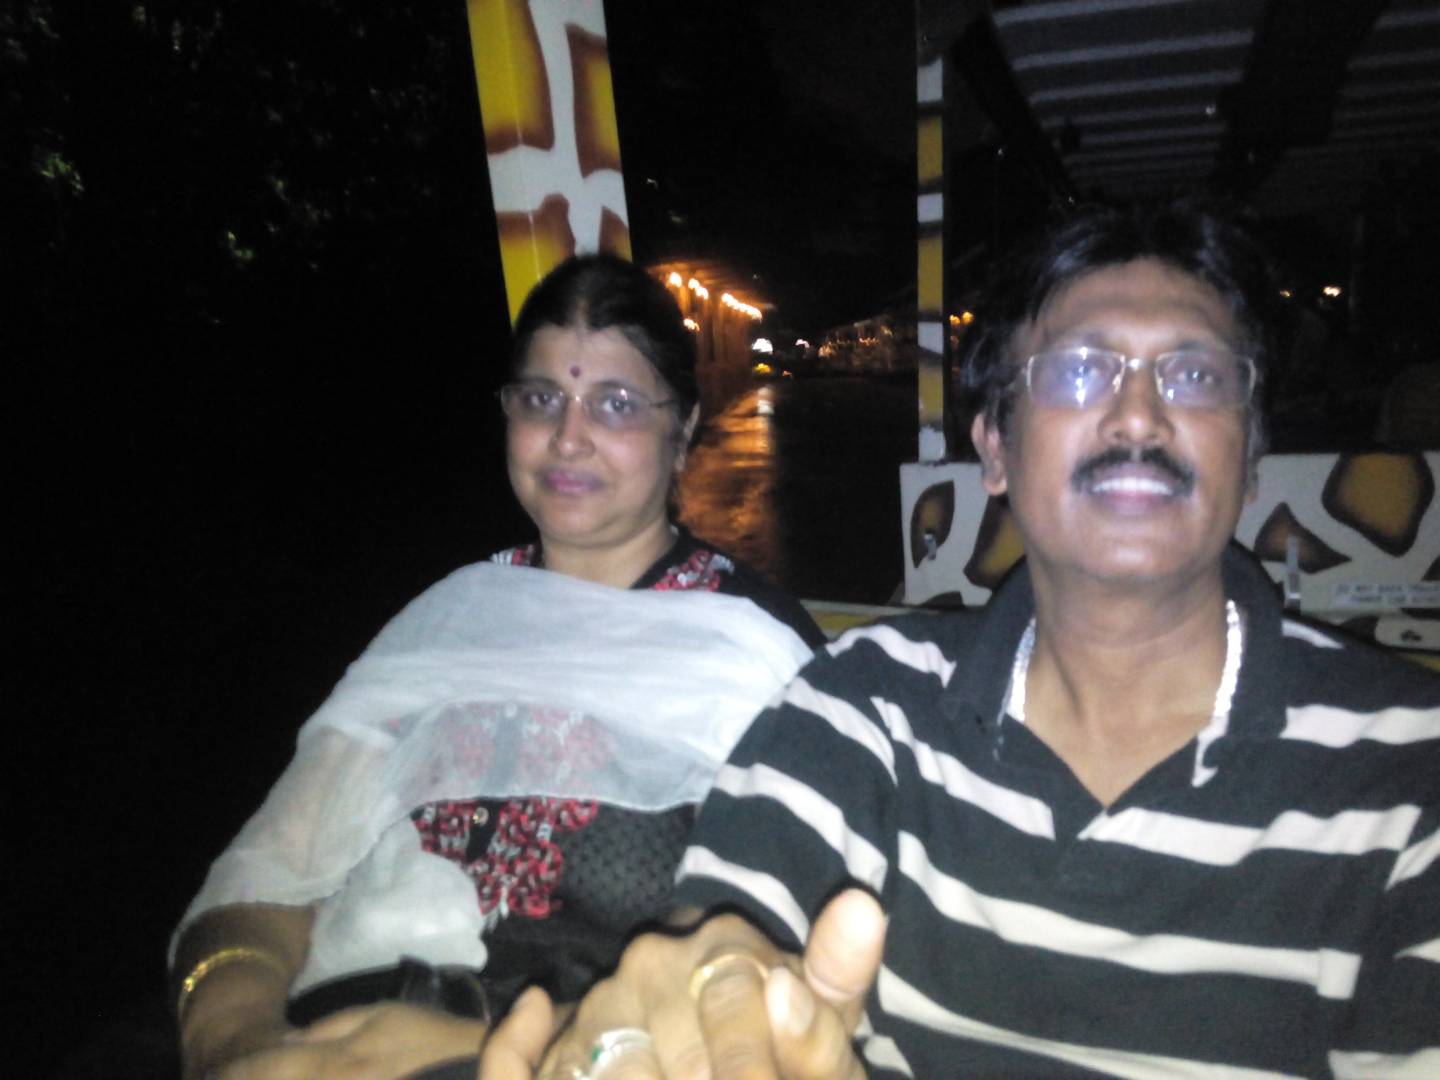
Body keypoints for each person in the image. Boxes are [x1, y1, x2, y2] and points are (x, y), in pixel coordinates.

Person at [495, 203, 1440, 1079]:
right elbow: (729, 929)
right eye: (1079, 371)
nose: (1139, 415)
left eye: (1194, 377)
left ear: (1252, 447)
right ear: (993, 448)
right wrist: (701, 999)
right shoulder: (870, 702)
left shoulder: (1408, 771)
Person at [169, 253, 824, 1080]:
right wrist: (232, 1038)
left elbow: (766, 980)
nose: (568, 437)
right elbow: (264, 879)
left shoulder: (754, 651)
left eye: (615, 404)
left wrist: (454, 1054)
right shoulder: (446, 622)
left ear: (684, 428)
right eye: (541, 399)